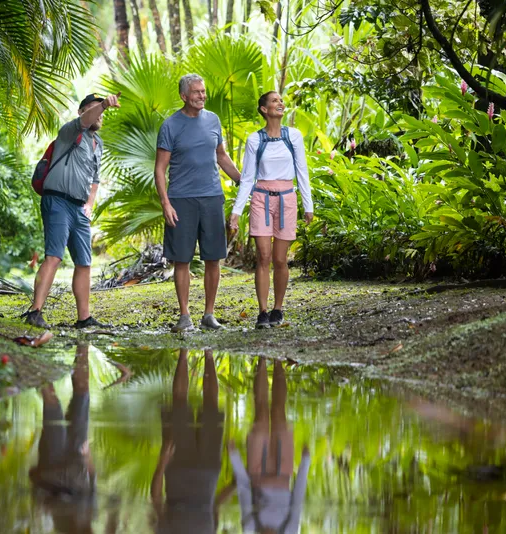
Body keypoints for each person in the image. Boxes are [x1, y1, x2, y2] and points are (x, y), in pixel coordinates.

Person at [25, 93, 120, 329]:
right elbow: (87, 120)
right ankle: (35, 312)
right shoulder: (70, 132)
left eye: (101, 109)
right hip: (57, 200)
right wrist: (104, 104)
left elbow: (95, 180)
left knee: (84, 262)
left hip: (79, 208)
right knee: (54, 257)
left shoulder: (98, 144)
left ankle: (84, 318)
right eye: (93, 108)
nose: (99, 113)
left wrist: (89, 204)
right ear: (82, 112)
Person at [155, 74, 242, 333]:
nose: (202, 96)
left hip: (212, 197)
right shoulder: (170, 125)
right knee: (182, 260)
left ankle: (208, 314)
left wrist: (242, 180)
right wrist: (166, 203)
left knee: (213, 258)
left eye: (203, 91)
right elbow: (160, 169)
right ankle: (184, 316)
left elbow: (221, 156)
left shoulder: (213, 120)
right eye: (196, 92)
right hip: (181, 200)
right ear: (184, 96)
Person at [229, 91, 314, 329]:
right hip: (261, 199)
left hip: (287, 198)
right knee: (263, 256)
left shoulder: (293, 136)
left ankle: (278, 307)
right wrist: (236, 211)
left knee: (280, 258)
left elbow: (302, 172)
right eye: (275, 101)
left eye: (281, 101)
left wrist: (308, 205)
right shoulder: (255, 140)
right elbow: (247, 178)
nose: (280, 103)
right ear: (264, 109)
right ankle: (263, 311)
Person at [151, 349, 234, 533]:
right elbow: (216, 507)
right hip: (207, 470)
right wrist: (237, 481)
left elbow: (156, 499)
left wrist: (162, 460)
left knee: (179, 403)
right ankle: (209, 353)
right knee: (210, 404)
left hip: (177, 470)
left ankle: (183, 352)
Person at [229, 358, 310, 533]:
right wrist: (305, 463)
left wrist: (235, 458)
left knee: (261, 415)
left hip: (258, 470)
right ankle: (278, 359)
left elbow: (244, 491)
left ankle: (262, 358)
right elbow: (297, 500)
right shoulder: (289, 531)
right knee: (279, 412)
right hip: (283, 472)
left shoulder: (250, 529)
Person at [29, 344, 97, 534]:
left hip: (53, 456)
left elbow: (33, 475)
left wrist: (49, 480)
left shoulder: (52, 510)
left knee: (51, 403)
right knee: (82, 392)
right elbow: (92, 479)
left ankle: (36, 353)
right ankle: (83, 345)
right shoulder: (90, 512)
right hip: (78, 453)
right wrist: (88, 456)